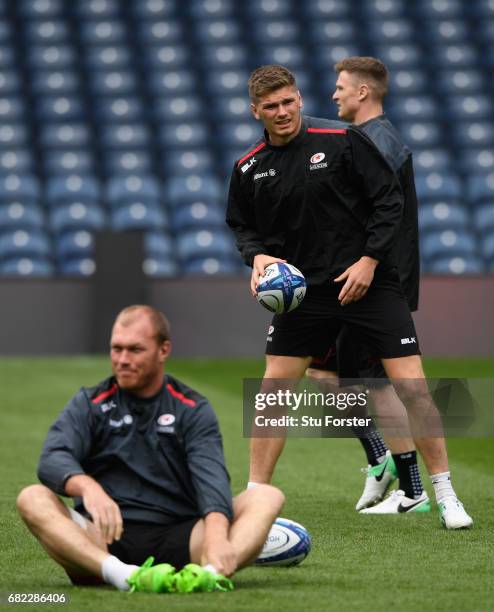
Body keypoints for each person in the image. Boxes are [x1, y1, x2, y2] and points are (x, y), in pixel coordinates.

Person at [225, 64, 472, 530]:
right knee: (272, 393)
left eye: (288, 101)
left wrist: (369, 261)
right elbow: (243, 226)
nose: (282, 112)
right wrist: (257, 259)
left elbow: (388, 202)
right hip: (302, 295)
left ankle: (446, 494)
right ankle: (254, 500)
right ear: (255, 110)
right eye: (271, 106)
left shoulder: (341, 138)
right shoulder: (249, 167)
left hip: (368, 283)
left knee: (411, 387)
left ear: (299, 97)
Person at [16, 305, 284, 593]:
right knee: (31, 497)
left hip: (182, 538)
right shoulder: (89, 403)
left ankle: (208, 573)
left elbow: (212, 479)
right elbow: (53, 458)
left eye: (134, 350)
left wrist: (217, 538)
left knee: (266, 496)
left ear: (163, 350)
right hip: (104, 540)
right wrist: (87, 487)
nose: (122, 360)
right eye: (116, 349)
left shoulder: (191, 408)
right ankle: (122, 575)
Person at [307, 56, 426, 514]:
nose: (334, 94)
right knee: (325, 373)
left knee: (375, 383)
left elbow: (387, 221)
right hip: (347, 281)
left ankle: (412, 489)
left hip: (371, 286)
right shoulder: (361, 139)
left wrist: (373, 271)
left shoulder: (381, 144)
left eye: (341, 87)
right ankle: (381, 460)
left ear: (363, 92)